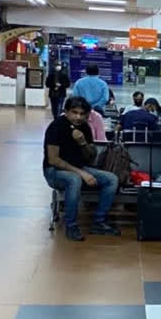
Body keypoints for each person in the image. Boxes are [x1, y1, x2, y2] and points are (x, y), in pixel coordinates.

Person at [43, 96, 120, 242]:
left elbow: (91, 157)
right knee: (74, 179)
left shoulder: (84, 127)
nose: (78, 117)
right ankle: (71, 225)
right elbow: (53, 159)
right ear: (66, 112)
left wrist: (83, 142)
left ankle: (99, 221)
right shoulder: (56, 127)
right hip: (54, 172)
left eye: (82, 114)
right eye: (74, 112)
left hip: (80, 167)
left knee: (111, 179)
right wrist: (81, 173)